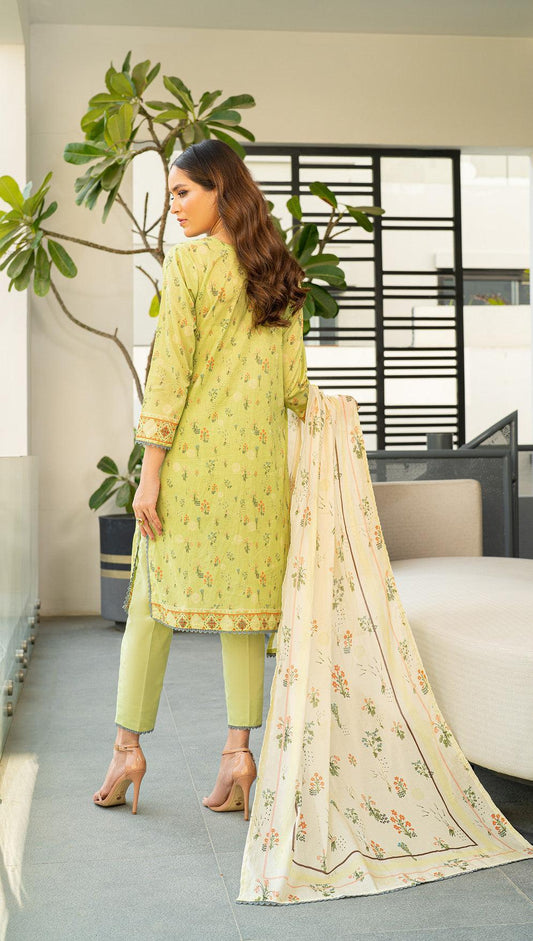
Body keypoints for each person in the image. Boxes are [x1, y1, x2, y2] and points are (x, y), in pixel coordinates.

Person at [93, 139, 310, 818]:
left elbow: (169, 374)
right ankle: (237, 756)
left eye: (184, 192)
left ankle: (127, 749)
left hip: (191, 468)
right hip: (259, 476)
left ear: (221, 189)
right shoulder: (281, 273)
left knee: (150, 602)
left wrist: (149, 472)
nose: (175, 208)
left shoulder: (188, 264)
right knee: (245, 614)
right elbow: (295, 389)